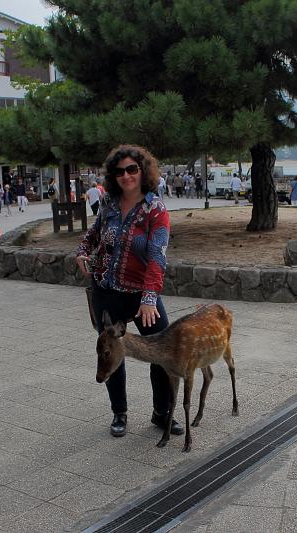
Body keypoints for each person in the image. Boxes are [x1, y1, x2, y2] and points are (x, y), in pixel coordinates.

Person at [75, 144, 183, 439]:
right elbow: (92, 234)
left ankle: (162, 413)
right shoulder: (109, 203)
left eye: (132, 169)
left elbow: (157, 257)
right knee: (110, 352)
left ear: (143, 171)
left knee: (161, 353)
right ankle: (119, 413)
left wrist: (149, 300)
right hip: (106, 292)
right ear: (113, 175)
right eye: (120, 171)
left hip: (141, 296)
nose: (126, 176)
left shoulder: (155, 209)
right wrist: (82, 253)